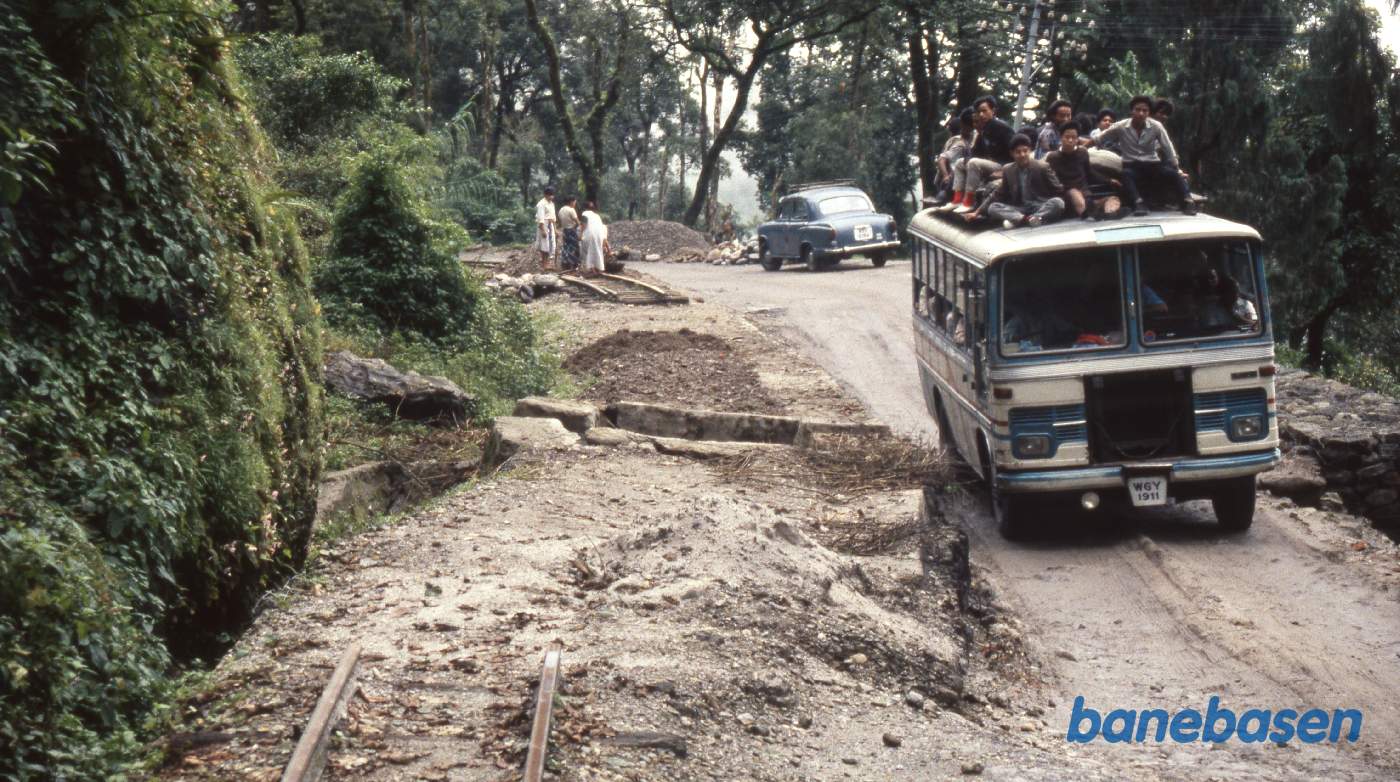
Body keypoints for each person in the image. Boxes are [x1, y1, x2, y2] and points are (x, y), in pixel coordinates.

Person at [1088, 95, 1195, 217]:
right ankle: (1139, 203)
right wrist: (1080, 148)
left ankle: (1188, 201)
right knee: (1126, 174)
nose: (1141, 113)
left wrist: (1177, 168)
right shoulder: (1121, 126)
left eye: (1145, 111)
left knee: (1174, 174)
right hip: (1132, 166)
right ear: (1131, 111)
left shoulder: (1156, 126)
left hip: (1152, 165)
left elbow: (1168, 147)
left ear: (1149, 113)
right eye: (1137, 110)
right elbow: (1099, 138)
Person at [963, 134, 1065, 228]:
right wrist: (977, 212)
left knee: (1058, 202)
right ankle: (1029, 220)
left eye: (1025, 151)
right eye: (1018, 152)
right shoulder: (1008, 169)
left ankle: (1029, 219)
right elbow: (997, 194)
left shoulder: (1042, 166)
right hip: (1021, 208)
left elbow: (1058, 189)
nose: (1022, 154)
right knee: (993, 207)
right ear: (1012, 153)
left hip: (1040, 205)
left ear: (1030, 151)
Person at [940, 95, 1016, 214]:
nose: (981, 115)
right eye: (979, 112)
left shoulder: (1002, 128)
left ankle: (968, 202)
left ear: (993, 111)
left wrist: (1005, 171)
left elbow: (1016, 149)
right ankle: (957, 199)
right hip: (993, 164)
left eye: (984, 111)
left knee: (974, 163)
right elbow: (976, 152)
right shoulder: (984, 129)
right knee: (961, 162)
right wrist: (966, 160)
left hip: (1005, 166)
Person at [1045, 123, 1111, 218]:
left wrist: (1109, 180)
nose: (1070, 140)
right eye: (1067, 137)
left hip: (1085, 193)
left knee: (1112, 200)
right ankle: (1089, 212)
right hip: (1066, 194)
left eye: (1074, 137)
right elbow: (1051, 181)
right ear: (1061, 138)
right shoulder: (1053, 157)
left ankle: (1105, 211)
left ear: (1077, 139)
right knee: (1074, 192)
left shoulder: (1082, 152)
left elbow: (1090, 173)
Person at [933, 108, 975, 204]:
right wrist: (946, 176)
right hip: (951, 182)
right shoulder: (960, 144)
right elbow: (941, 159)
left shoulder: (956, 139)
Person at [579, 200, 609, 277]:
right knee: (597, 251)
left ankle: (591, 269)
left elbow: (583, 224)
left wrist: (580, 235)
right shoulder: (597, 215)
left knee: (587, 251)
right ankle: (598, 268)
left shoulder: (584, 213)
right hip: (599, 235)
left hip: (590, 234)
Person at [534, 186, 557, 269]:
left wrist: (555, 229)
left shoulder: (551, 204)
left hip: (550, 225)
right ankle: (544, 264)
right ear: (545, 195)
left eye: (552, 195)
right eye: (549, 195)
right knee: (544, 245)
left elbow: (553, 217)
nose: (551, 197)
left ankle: (547, 263)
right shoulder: (541, 204)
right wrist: (543, 230)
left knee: (550, 245)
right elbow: (540, 218)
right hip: (544, 225)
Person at [557, 195, 580, 271]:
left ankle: (565, 264)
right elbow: (577, 222)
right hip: (571, 230)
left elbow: (559, 223)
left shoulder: (561, 210)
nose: (575, 204)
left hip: (565, 230)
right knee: (574, 247)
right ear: (571, 202)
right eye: (574, 202)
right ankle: (574, 265)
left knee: (566, 247)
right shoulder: (571, 210)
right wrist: (576, 227)